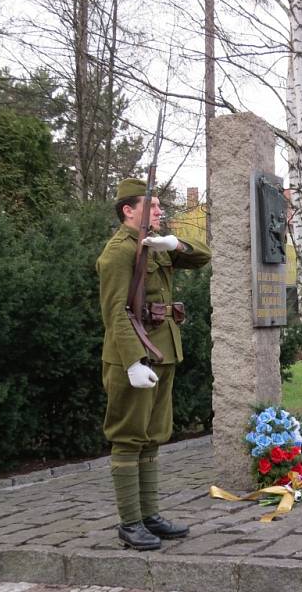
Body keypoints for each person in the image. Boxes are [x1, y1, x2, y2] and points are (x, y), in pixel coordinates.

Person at [97, 178, 211, 550]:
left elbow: (203, 256)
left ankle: (149, 515)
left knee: (152, 438)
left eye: (160, 205)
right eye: (152, 205)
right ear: (128, 211)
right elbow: (115, 312)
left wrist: (174, 243)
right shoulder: (118, 253)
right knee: (129, 438)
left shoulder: (154, 246)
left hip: (163, 350)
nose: (161, 211)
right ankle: (130, 522)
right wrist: (131, 361)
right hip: (135, 356)